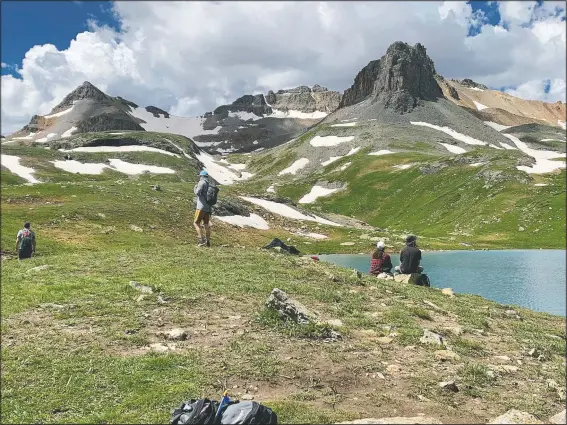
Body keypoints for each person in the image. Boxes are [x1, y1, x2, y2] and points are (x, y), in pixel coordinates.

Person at [193, 170, 211, 247]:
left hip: (200, 207)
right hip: (208, 207)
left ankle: (201, 240)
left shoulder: (202, 182)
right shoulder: (210, 184)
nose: (199, 177)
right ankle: (208, 240)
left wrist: (195, 187)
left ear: (202, 176)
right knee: (206, 224)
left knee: (196, 223)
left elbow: (197, 192)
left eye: (200, 176)